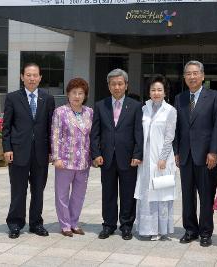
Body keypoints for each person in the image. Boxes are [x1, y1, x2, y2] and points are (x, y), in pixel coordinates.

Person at [173, 60, 217, 246]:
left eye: (195, 73)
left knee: (205, 195)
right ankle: (190, 230)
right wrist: (176, 151)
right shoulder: (179, 98)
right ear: (184, 77)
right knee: (187, 195)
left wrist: (213, 152)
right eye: (188, 73)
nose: (192, 77)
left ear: (202, 76)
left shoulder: (215, 97)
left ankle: (205, 232)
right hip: (185, 156)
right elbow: (176, 128)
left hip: (206, 156)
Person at [2, 62, 55, 239]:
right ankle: (15, 223)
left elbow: (50, 128)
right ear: (22, 77)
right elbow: (6, 127)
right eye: (28, 75)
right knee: (18, 190)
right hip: (18, 152)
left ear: (40, 78)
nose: (32, 78)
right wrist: (7, 148)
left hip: (40, 153)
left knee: (38, 190)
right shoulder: (12, 98)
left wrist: (51, 151)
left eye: (35, 75)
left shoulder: (47, 99)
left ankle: (36, 223)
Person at [90, 68, 144, 240]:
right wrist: (95, 153)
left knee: (128, 193)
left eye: (120, 84)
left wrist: (137, 154)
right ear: (108, 86)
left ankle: (126, 226)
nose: (117, 87)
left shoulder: (135, 106)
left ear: (126, 85)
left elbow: (139, 133)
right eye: (113, 84)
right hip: (106, 158)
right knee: (108, 193)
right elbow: (95, 133)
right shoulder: (100, 105)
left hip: (128, 159)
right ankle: (108, 225)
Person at [134, 75, 177, 241]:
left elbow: (169, 137)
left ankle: (160, 229)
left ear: (165, 92)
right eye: (153, 90)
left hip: (161, 159)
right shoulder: (144, 109)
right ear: (149, 92)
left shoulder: (170, 111)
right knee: (146, 192)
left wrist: (163, 158)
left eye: (159, 90)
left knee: (160, 192)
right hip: (145, 158)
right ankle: (146, 228)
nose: (156, 93)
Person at [51, 78, 93, 237]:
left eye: (80, 93)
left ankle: (74, 222)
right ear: (68, 94)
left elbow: (92, 136)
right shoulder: (60, 112)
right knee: (62, 194)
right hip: (64, 161)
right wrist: (56, 157)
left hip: (83, 162)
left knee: (78, 195)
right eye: (74, 92)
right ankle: (65, 225)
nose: (77, 96)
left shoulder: (89, 112)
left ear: (85, 95)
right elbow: (55, 135)